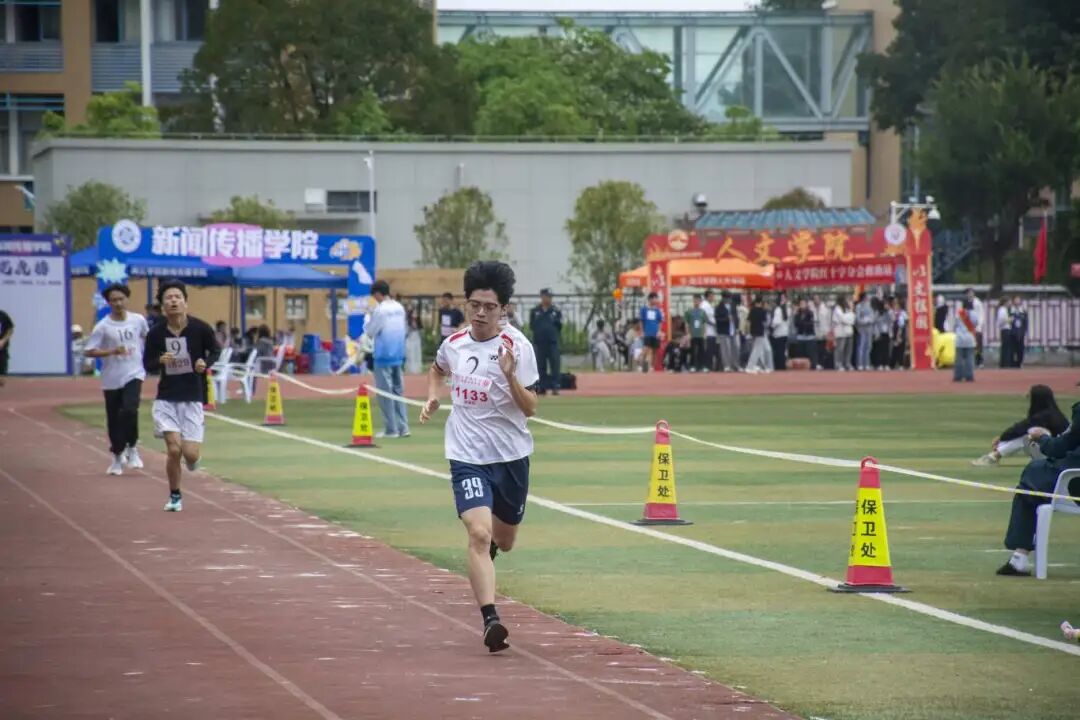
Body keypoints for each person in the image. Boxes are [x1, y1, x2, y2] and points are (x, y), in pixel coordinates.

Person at [419, 261, 539, 653]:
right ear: (466, 304)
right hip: (466, 454)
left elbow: (531, 407)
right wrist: (433, 396)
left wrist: (510, 376)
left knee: (504, 540)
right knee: (479, 533)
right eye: (474, 305)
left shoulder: (518, 348)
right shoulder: (455, 344)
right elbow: (436, 369)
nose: (481, 313)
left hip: (511, 457)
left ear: (504, 308)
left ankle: (486, 557)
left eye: (489, 306)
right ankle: (491, 620)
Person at [143, 280, 220, 512]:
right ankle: (175, 496)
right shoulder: (156, 333)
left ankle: (193, 459)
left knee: (190, 454)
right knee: (174, 450)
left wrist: (205, 363)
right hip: (166, 398)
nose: (173, 301)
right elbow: (147, 364)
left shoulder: (200, 328)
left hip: (192, 396)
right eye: (169, 298)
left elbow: (216, 350)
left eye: (177, 297)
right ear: (162, 305)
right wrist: (160, 361)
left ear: (185, 302)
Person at [996, 401, 1080, 576]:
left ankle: (1019, 557)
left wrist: (1041, 438)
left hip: (1074, 485)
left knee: (1030, 482)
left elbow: (1059, 448)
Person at [83, 284, 150, 475]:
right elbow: (89, 351)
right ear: (108, 303)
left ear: (127, 299)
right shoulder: (103, 326)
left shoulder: (138, 320)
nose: (118, 303)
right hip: (112, 378)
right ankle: (117, 456)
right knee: (114, 418)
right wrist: (111, 351)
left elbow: (148, 337)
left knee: (130, 409)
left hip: (134, 372)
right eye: (114, 300)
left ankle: (132, 447)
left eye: (121, 299)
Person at [972, 385, 1068, 467]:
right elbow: (1020, 428)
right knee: (1029, 433)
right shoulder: (1053, 413)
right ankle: (995, 454)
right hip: (1057, 453)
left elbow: (1021, 429)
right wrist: (1002, 440)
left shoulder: (1044, 416)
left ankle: (994, 456)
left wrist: (1001, 438)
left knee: (1031, 433)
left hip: (1058, 456)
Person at [363, 280, 409, 439]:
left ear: (377, 293)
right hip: (398, 354)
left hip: (383, 355)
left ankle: (391, 429)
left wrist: (368, 317)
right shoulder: (399, 308)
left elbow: (370, 331)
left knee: (385, 393)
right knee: (398, 392)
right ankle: (403, 427)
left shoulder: (380, 310)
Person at [529, 289, 563, 396]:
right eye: (547, 296)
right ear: (542, 297)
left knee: (555, 365)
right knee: (540, 365)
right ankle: (542, 387)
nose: (548, 299)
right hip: (540, 342)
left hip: (552, 342)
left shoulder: (555, 311)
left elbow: (559, 326)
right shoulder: (535, 311)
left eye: (550, 297)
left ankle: (555, 386)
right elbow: (532, 325)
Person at [952, 298, 978, 382]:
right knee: (969, 359)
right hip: (969, 338)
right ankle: (969, 376)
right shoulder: (974, 314)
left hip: (960, 338)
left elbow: (954, 324)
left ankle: (958, 376)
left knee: (959, 359)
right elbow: (975, 324)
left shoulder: (958, 313)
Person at [745, 295, 771, 374]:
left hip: (753, 332)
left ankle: (761, 366)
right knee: (757, 350)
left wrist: (748, 331)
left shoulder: (752, 310)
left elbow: (748, 321)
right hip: (760, 332)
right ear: (760, 303)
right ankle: (750, 366)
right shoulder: (763, 311)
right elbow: (765, 322)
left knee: (759, 349)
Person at [638, 293, 663, 373]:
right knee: (645, 349)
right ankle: (640, 366)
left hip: (655, 333)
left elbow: (660, 321)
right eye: (655, 298)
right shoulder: (644, 309)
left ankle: (652, 367)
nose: (656, 300)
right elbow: (641, 321)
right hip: (647, 333)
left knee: (655, 351)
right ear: (650, 299)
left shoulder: (657, 310)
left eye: (656, 298)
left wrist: (659, 331)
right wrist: (642, 331)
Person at [684, 295, 708, 372]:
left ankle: (702, 366)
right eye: (695, 300)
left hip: (701, 334)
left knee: (702, 351)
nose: (696, 301)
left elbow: (704, 323)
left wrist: (705, 333)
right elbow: (686, 323)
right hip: (692, 334)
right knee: (693, 351)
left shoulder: (703, 312)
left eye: (698, 300)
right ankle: (692, 366)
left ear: (700, 301)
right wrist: (688, 333)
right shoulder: (689, 311)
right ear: (693, 300)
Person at [831, 295, 855, 372]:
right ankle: (838, 364)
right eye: (846, 300)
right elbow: (843, 319)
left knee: (848, 350)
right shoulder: (837, 309)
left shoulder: (848, 309)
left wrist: (849, 316)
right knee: (840, 349)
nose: (847, 302)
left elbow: (853, 319)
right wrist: (848, 318)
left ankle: (847, 364)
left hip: (849, 332)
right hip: (840, 333)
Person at [965, 287, 986, 368]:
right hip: (968, 327)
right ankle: (970, 361)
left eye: (970, 293)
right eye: (968, 293)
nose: (969, 294)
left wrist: (979, 325)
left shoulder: (977, 303)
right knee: (970, 345)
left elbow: (981, 314)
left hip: (977, 326)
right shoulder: (966, 302)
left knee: (978, 345)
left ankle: (980, 361)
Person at [769, 293, 790, 371]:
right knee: (782, 351)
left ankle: (779, 367)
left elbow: (776, 322)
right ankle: (782, 367)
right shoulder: (788, 309)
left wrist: (771, 327)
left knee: (778, 352)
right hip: (785, 333)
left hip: (778, 334)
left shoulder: (778, 309)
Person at [854, 292, 874, 371]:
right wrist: (865, 320)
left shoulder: (870, 306)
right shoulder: (859, 306)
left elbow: (872, 317)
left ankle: (867, 364)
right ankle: (860, 364)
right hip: (862, 329)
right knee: (861, 347)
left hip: (869, 329)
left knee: (868, 347)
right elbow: (858, 319)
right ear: (863, 298)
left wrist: (870, 320)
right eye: (866, 297)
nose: (867, 298)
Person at [1009, 296, 1028, 368]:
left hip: (1020, 333)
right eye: (1016, 300)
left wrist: (1024, 331)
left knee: (1020, 349)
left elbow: (1026, 323)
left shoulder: (1023, 311)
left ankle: (1020, 362)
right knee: (1013, 349)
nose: (1017, 302)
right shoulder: (1010, 311)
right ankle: (1013, 363)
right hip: (1012, 332)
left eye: (1018, 300)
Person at [996, 300, 1013, 369]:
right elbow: (1001, 320)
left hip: (1006, 329)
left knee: (1006, 347)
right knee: (1005, 347)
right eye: (1009, 302)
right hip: (1005, 329)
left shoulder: (1004, 310)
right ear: (1005, 302)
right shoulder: (1002, 310)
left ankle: (1005, 363)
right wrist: (1009, 320)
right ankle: (1005, 363)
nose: (1010, 304)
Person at [0, 307, 13, 387]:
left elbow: (10, 329)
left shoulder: (3, 315)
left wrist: (3, 341)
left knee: (2, 381)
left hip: (2, 351)